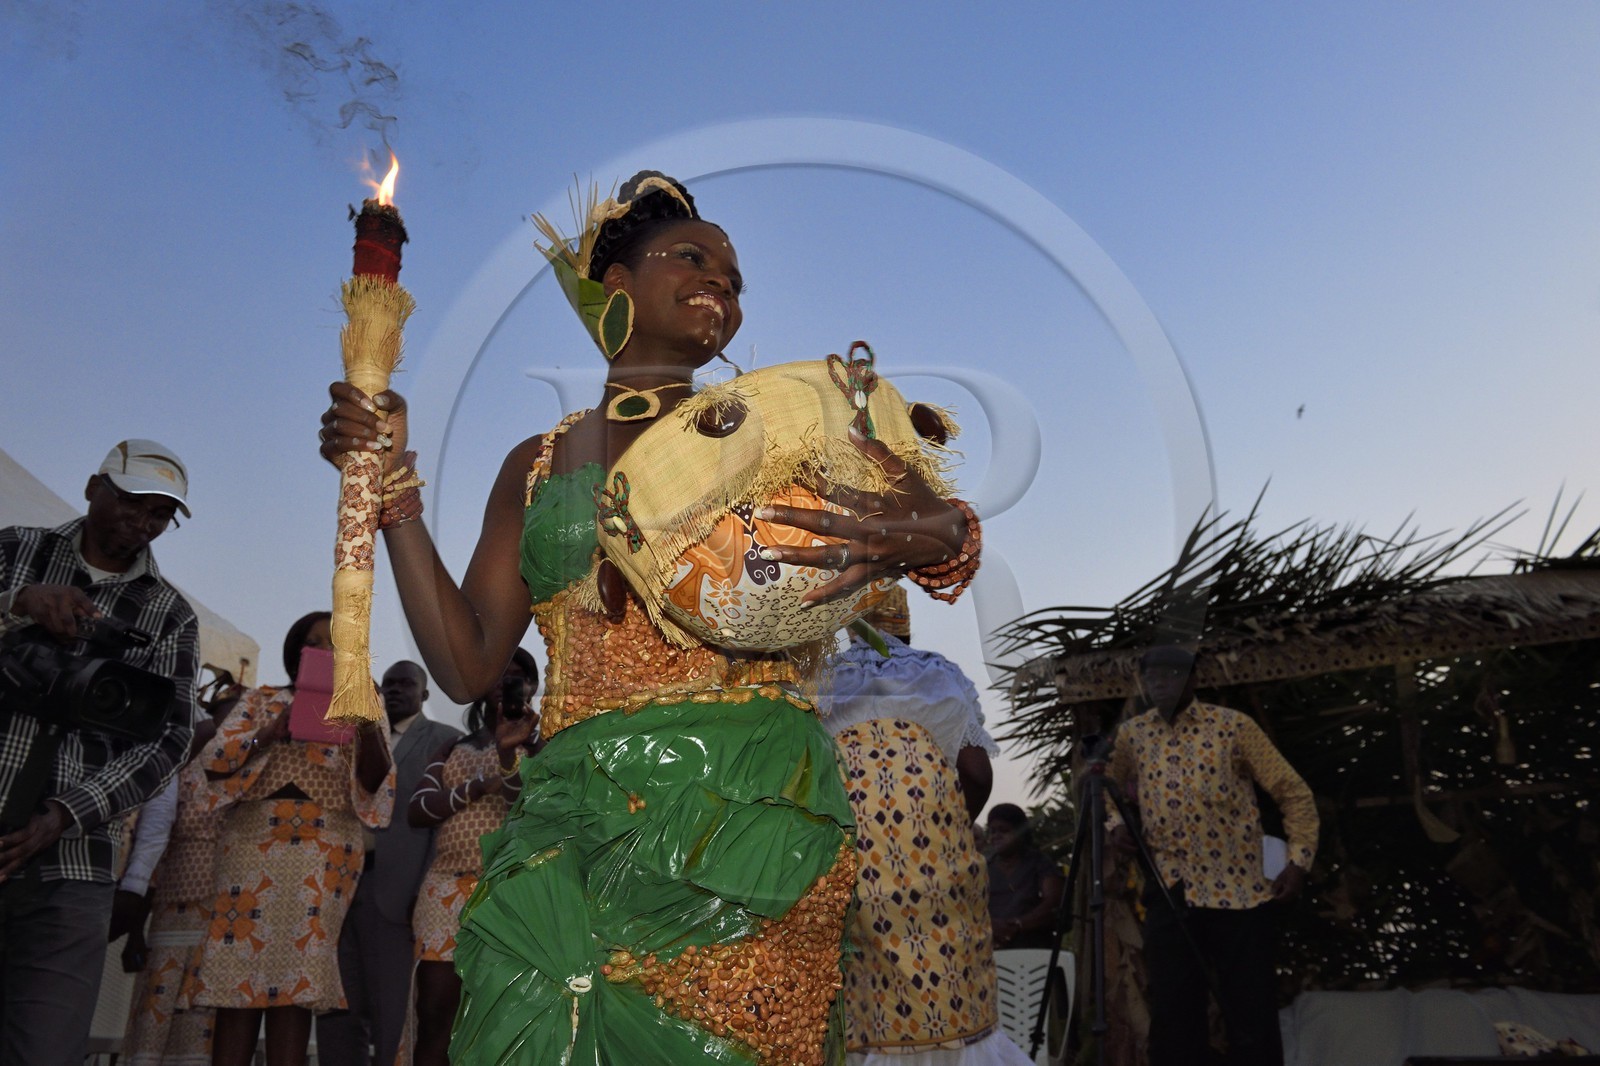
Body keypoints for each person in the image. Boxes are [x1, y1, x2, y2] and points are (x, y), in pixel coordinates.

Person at [317, 171, 981, 1063]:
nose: (723, 285)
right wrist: (390, 497)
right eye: (694, 258)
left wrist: (922, 531)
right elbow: (469, 665)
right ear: (618, 288)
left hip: (745, 822)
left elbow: (944, 527)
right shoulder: (537, 462)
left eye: (737, 278)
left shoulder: (781, 427)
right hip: (574, 825)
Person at [0, 438, 198, 1066]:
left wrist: (66, 813)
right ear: (94, 488)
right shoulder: (13, 551)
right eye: (133, 503)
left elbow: (169, 740)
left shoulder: (170, 616)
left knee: (45, 1047)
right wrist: (18, 604)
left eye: (160, 514)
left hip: (73, 861)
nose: (143, 524)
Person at [823, 587, 1030, 1066]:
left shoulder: (825, 680)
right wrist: (947, 827)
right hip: (939, 863)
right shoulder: (937, 673)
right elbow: (976, 773)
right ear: (906, 625)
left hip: (853, 863)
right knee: (951, 995)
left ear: (850, 628)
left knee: (861, 995)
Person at [185, 611, 395, 1066]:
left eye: (336, 644)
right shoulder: (262, 699)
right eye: (316, 642)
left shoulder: (360, 704)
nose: (325, 651)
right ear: (298, 652)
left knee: (295, 982)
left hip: (323, 855)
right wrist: (269, 734)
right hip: (250, 846)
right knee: (235, 975)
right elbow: (214, 760)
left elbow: (376, 782)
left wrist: (364, 720)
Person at [1105, 644, 1319, 1066]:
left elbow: (1293, 793)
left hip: (1240, 893)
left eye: (1171, 674)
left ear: (1193, 679)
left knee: (1251, 1012)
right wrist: (1115, 827)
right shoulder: (1133, 735)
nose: (1160, 683)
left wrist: (1299, 860)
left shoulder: (1233, 727)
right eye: (1152, 677)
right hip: (1170, 891)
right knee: (1174, 1015)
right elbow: (1101, 789)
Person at [317, 659, 461, 1066]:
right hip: (334, 888)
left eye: (405, 684)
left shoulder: (446, 741)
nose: (394, 690)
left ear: (425, 694)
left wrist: (424, 886)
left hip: (398, 893)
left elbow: (444, 825)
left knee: (392, 1012)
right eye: (388, 684)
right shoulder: (344, 735)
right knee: (336, 1007)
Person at [401, 647, 539, 1066]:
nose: (506, 684)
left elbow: (524, 805)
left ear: (531, 687)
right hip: (444, 887)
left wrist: (506, 755)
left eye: (517, 676)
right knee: (435, 1009)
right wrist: (476, 787)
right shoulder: (451, 747)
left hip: (508, 891)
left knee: (501, 1013)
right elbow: (417, 810)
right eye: (498, 675)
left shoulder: (543, 744)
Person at [119, 691, 238, 1065]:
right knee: (158, 1008)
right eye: (226, 718)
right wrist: (135, 930)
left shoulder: (249, 766)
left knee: (206, 1021)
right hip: (171, 914)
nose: (232, 727)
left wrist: (256, 739)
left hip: (227, 920)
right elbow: (154, 841)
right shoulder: (179, 768)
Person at [984, 804, 1066, 952]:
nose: (996, 836)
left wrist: (1018, 925)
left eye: (1004, 830)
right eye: (993, 831)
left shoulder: (1039, 862)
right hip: (990, 951)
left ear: (1020, 832)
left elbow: (1054, 901)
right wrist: (991, 926)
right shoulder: (983, 867)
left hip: (1035, 948)